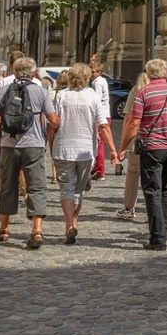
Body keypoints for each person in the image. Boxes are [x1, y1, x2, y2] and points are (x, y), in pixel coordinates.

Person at [119, 58, 167, 250]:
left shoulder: (143, 93)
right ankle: (163, 229)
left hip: (152, 147)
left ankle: (157, 238)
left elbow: (135, 123)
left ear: (149, 72)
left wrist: (122, 147)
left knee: (152, 190)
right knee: (166, 189)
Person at [0, 56, 58, 249]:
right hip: (34, 145)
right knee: (36, 186)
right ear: (34, 72)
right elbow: (52, 119)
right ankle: (36, 230)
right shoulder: (41, 92)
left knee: (8, 187)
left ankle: (3, 229)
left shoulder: (4, 89)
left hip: (9, 144)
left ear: (14, 71)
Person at [50, 62, 117, 244]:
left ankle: (68, 226)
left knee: (67, 188)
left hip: (63, 148)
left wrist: (50, 143)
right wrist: (112, 150)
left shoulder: (62, 96)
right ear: (87, 78)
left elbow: (54, 123)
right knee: (79, 190)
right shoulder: (92, 97)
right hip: (86, 150)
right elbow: (103, 125)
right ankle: (74, 222)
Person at [116, 72, 150, 221]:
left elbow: (129, 118)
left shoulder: (136, 91)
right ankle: (154, 208)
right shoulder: (159, 91)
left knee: (133, 173)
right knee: (153, 174)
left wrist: (123, 143)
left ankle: (129, 207)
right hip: (155, 140)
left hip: (137, 140)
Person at [89, 58, 112, 180]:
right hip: (105, 114)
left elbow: (96, 101)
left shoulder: (97, 83)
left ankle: (100, 170)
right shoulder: (102, 80)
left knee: (99, 144)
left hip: (101, 115)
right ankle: (97, 167)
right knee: (99, 143)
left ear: (99, 72)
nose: (91, 74)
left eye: (93, 72)